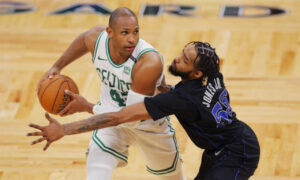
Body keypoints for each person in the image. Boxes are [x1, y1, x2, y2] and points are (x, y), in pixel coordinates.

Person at [30, 41, 260, 180]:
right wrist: (165, 88)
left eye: (185, 60)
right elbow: (192, 100)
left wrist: (65, 128)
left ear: (197, 73)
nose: (177, 58)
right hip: (223, 147)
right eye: (182, 53)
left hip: (238, 152)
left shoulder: (180, 99)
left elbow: (118, 117)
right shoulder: (212, 73)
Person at [35, 7, 185, 180]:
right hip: (110, 123)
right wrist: (57, 66)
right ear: (109, 32)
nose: (132, 39)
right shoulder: (97, 40)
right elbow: (84, 39)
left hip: (148, 125)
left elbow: (129, 117)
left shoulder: (148, 62)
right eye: (125, 33)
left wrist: (81, 113)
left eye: (136, 32)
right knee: (96, 174)